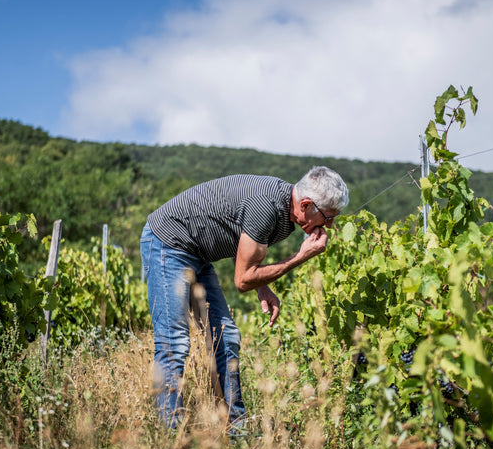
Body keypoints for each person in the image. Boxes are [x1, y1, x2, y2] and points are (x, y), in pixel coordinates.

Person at [140, 166, 349, 428]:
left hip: (199, 254)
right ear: (306, 205)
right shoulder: (267, 207)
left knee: (225, 337)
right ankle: (170, 433)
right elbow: (242, 281)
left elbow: (244, 247)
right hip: (168, 244)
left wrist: (263, 287)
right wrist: (300, 256)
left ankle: (234, 430)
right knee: (175, 341)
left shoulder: (287, 213)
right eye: (328, 217)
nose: (329, 225)